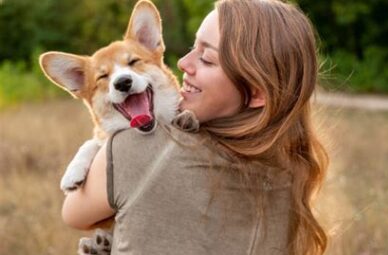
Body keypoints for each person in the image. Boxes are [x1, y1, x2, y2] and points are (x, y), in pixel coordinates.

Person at [62, 0, 329, 254]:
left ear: (257, 92)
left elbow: (72, 213)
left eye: (208, 59)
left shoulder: (137, 150)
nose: (182, 64)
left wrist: (100, 148)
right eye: (193, 47)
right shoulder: (291, 171)